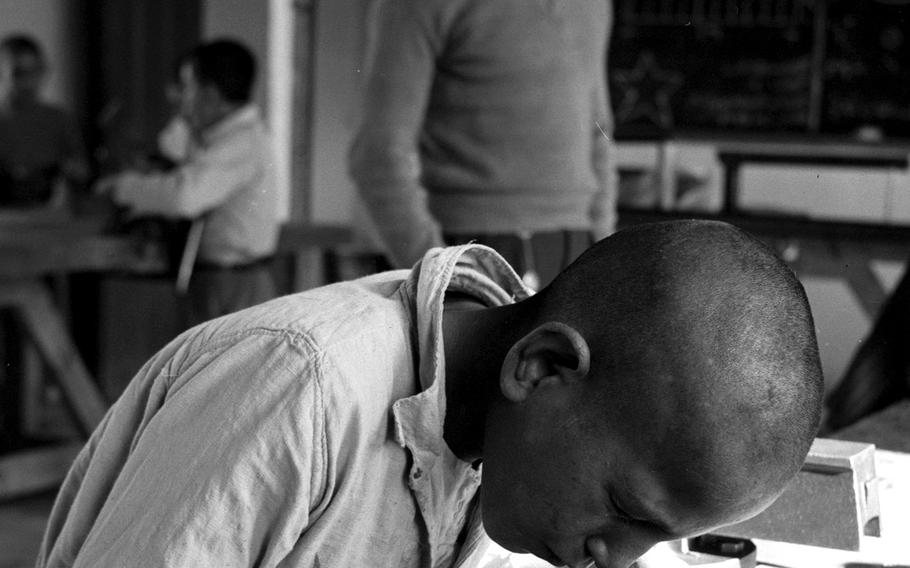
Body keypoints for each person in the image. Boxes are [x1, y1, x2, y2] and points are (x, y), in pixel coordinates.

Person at [36, 220, 822, 568]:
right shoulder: (301, 389)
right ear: (542, 368)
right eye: (624, 512)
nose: (610, 561)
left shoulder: (511, 452)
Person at [348, 0, 618, 290]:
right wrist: (442, 279)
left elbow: (599, 133)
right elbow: (378, 154)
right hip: (464, 249)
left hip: (579, 253)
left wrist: (601, 255)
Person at [95, 39, 280, 326]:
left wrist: (124, 188)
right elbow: (169, 148)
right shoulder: (213, 135)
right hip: (218, 277)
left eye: (186, 86)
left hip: (235, 281)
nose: (178, 97)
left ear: (210, 94)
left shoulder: (242, 142)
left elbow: (184, 198)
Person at [0, 33, 89, 208]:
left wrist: (71, 171)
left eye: (35, 71)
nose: (29, 82)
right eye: (19, 73)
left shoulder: (59, 119)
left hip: (47, 214)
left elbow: (81, 172)